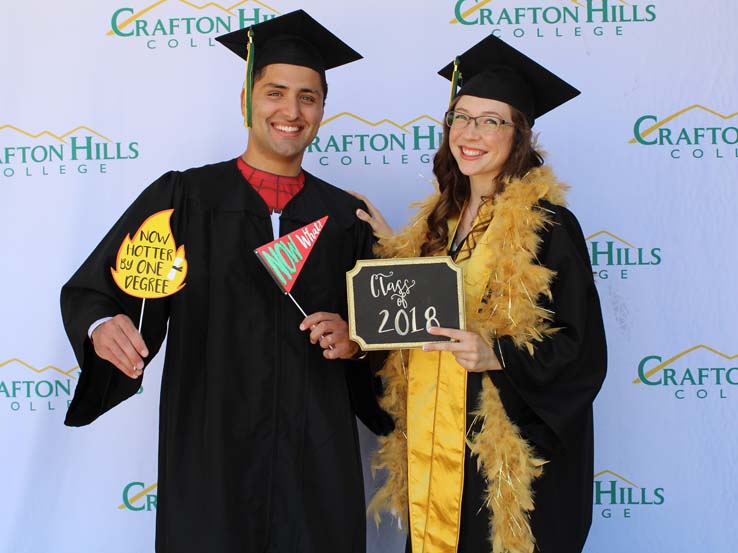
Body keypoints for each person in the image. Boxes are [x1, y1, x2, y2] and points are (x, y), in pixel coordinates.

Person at [61, 10, 391, 553]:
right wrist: (102, 324)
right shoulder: (186, 200)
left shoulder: (346, 219)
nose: (291, 110)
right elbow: (98, 290)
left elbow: (394, 346)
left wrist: (357, 343)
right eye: (275, 92)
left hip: (317, 461)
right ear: (246, 101)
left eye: (308, 97)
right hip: (210, 453)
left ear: (323, 110)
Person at [355, 35, 607, 553]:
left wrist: (499, 355)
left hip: (497, 460)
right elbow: (415, 318)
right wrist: (391, 257)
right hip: (431, 446)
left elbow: (582, 352)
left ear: (521, 134)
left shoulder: (548, 227)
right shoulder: (433, 225)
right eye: (462, 117)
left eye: (491, 120)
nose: (471, 133)